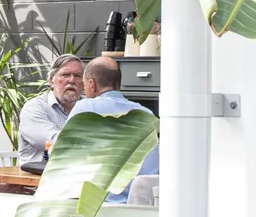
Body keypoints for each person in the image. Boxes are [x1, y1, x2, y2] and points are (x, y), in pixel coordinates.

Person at [75, 56, 159, 200]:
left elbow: (61, 153)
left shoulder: (86, 107)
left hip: (103, 208)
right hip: (142, 207)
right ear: (118, 84)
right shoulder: (146, 113)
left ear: (91, 85)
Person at [15, 56, 82, 173]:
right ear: (51, 80)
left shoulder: (88, 107)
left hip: (76, 181)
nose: (72, 80)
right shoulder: (34, 108)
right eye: (65, 75)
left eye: (78, 76)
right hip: (35, 184)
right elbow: (58, 145)